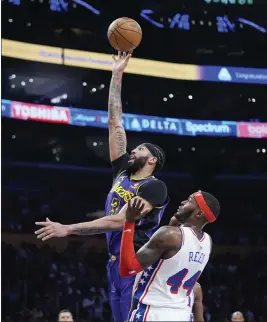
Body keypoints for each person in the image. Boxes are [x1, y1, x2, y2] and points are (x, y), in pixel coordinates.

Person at [35, 52, 169, 322]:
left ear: (152, 160)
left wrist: (69, 228)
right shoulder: (122, 171)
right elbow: (114, 122)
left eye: (139, 149)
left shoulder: (155, 188)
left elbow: (121, 221)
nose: (132, 150)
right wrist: (116, 74)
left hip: (138, 262)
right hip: (114, 263)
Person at [119, 191, 220, 321]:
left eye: (189, 200)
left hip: (154, 313)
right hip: (182, 314)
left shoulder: (170, 235)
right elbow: (172, 258)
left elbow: (127, 269)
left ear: (199, 213)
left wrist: (129, 222)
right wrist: (173, 223)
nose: (182, 202)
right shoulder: (208, 242)